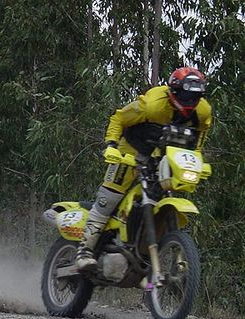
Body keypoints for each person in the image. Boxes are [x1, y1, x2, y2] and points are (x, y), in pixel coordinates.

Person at [75, 67, 212, 271]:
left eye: (195, 96)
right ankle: (84, 251)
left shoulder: (202, 111)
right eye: (185, 94)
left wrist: (197, 161)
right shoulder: (152, 105)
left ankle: (152, 252)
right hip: (131, 151)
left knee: (167, 193)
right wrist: (111, 145)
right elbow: (120, 118)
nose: (189, 100)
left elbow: (199, 137)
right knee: (110, 197)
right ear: (173, 91)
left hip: (163, 157)